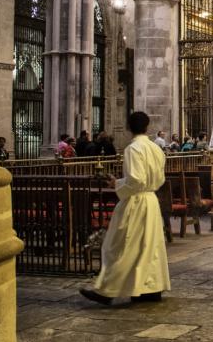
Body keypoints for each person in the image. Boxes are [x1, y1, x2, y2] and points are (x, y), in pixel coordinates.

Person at [79, 111, 170, 305]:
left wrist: (116, 185)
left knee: (119, 245)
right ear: (147, 127)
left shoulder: (133, 148)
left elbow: (136, 179)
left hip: (136, 202)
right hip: (151, 201)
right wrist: (123, 183)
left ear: (128, 127)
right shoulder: (156, 149)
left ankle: (107, 290)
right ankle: (149, 290)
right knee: (148, 247)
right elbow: (159, 178)